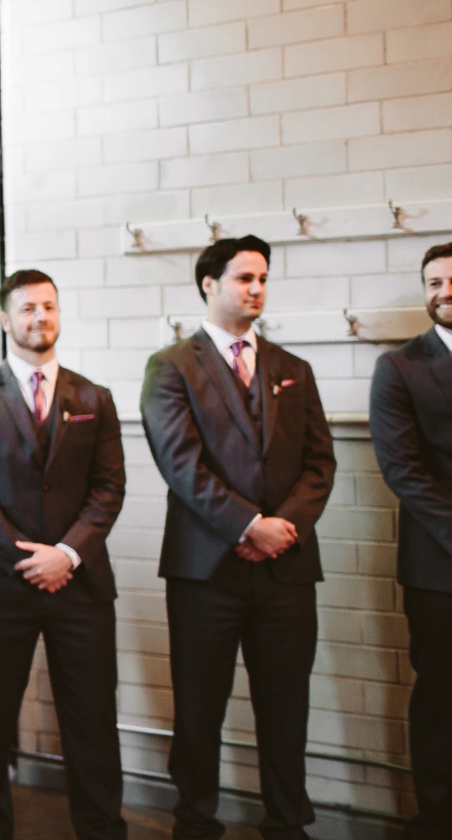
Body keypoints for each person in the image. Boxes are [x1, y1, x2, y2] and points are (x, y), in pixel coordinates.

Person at [141, 235, 335, 840]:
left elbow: (320, 463)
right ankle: (196, 822)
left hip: (286, 568)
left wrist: (285, 528)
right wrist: (249, 525)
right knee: (199, 708)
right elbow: (180, 463)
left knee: (285, 706)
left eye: (262, 278)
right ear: (209, 284)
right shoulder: (172, 365)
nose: (256, 289)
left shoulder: (292, 370)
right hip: (207, 570)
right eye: (244, 278)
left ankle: (286, 823)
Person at [0, 269, 128, 840]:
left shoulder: (94, 396)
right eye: (27, 309)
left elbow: (109, 488)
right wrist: (30, 557)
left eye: (48, 307)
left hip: (82, 585)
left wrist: (67, 554)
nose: (39, 317)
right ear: (6, 319)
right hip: (1, 587)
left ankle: (101, 830)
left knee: (93, 722)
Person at [368, 241, 452, 840]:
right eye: (434, 283)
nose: (446, 293)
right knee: (443, 703)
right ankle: (435, 822)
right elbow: (405, 470)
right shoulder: (400, 367)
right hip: (444, 568)